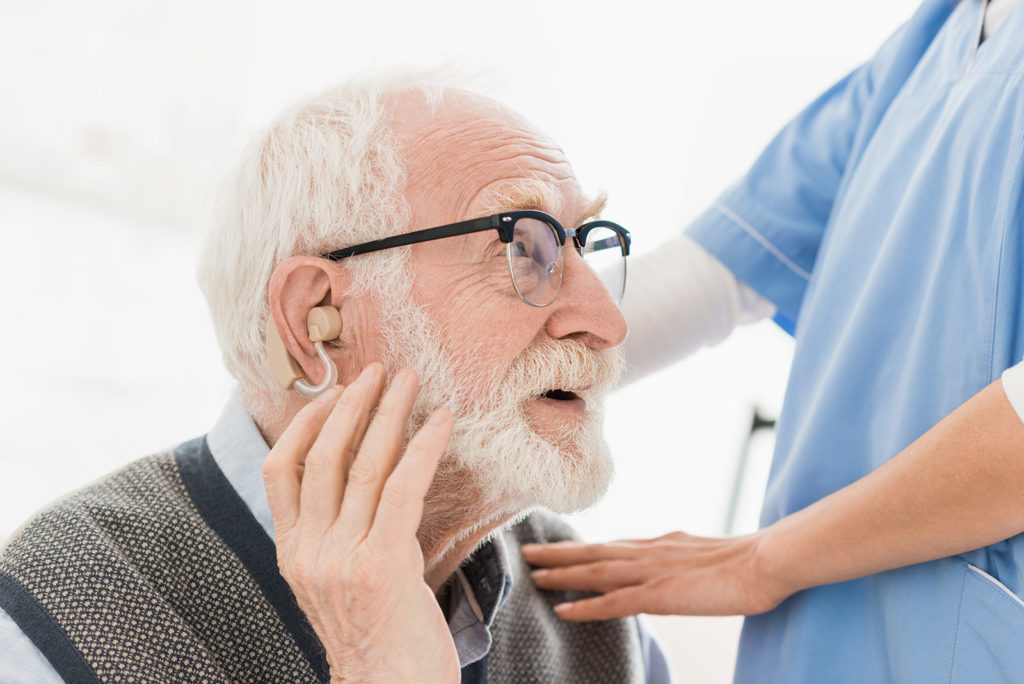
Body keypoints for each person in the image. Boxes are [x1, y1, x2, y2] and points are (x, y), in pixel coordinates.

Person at [0, 74, 671, 683]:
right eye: (523, 247)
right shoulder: (50, 623)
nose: (606, 319)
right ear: (313, 318)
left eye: (583, 244)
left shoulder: (594, 616)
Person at [521, 0, 1024, 681]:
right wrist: (462, 376)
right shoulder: (931, 45)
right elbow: (717, 273)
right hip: (820, 638)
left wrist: (760, 561)